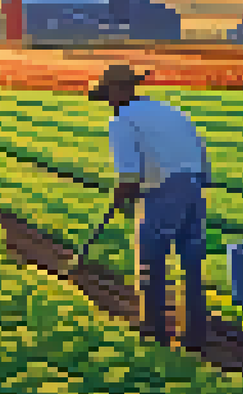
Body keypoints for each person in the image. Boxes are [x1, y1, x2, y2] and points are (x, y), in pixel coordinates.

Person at [90, 64, 212, 352]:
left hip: (163, 189)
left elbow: (130, 174)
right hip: (195, 185)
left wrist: (120, 200)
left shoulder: (122, 120)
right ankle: (195, 331)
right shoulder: (170, 111)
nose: (109, 100)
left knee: (151, 261)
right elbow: (200, 149)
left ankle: (154, 329)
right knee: (192, 262)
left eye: (109, 93)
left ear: (120, 90)